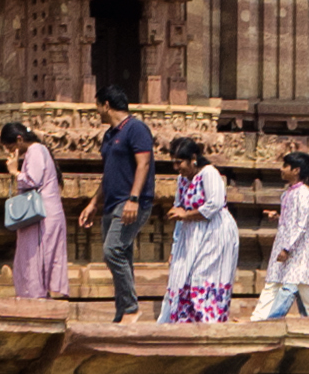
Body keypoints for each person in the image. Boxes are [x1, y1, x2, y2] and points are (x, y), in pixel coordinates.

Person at [158, 136, 241, 325]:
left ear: (193, 158)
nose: (176, 167)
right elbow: (178, 211)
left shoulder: (209, 173)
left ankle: (208, 322)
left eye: (179, 162)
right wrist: (174, 248)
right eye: (174, 163)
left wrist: (186, 215)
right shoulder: (182, 179)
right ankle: (185, 323)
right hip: (191, 235)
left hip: (215, 234)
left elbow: (214, 205)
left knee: (203, 276)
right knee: (181, 276)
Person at [93, 99, 161, 321]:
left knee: (112, 250)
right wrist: (93, 203)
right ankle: (122, 311)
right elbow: (109, 173)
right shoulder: (110, 135)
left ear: (106, 104)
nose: (96, 111)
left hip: (131, 202)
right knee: (122, 256)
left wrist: (133, 199)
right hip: (111, 203)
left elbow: (144, 164)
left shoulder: (136, 128)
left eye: (97, 106)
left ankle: (131, 307)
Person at [0, 120, 71, 304]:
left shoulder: (36, 151)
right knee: (34, 257)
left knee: (36, 258)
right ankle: (37, 297)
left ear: (20, 139)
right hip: (40, 216)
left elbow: (32, 180)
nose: (9, 151)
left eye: (10, 146)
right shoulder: (36, 151)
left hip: (43, 217)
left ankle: (37, 299)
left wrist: (14, 171)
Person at [251, 145, 309, 322]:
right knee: (275, 283)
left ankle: (276, 320)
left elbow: (302, 224)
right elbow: (293, 220)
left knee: (297, 287)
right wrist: (278, 217)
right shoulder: (287, 195)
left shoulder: (306, 195)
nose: (281, 170)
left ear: (296, 170)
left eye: (285, 166)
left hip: (299, 250)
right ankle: (258, 318)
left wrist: (287, 248)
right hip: (285, 245)